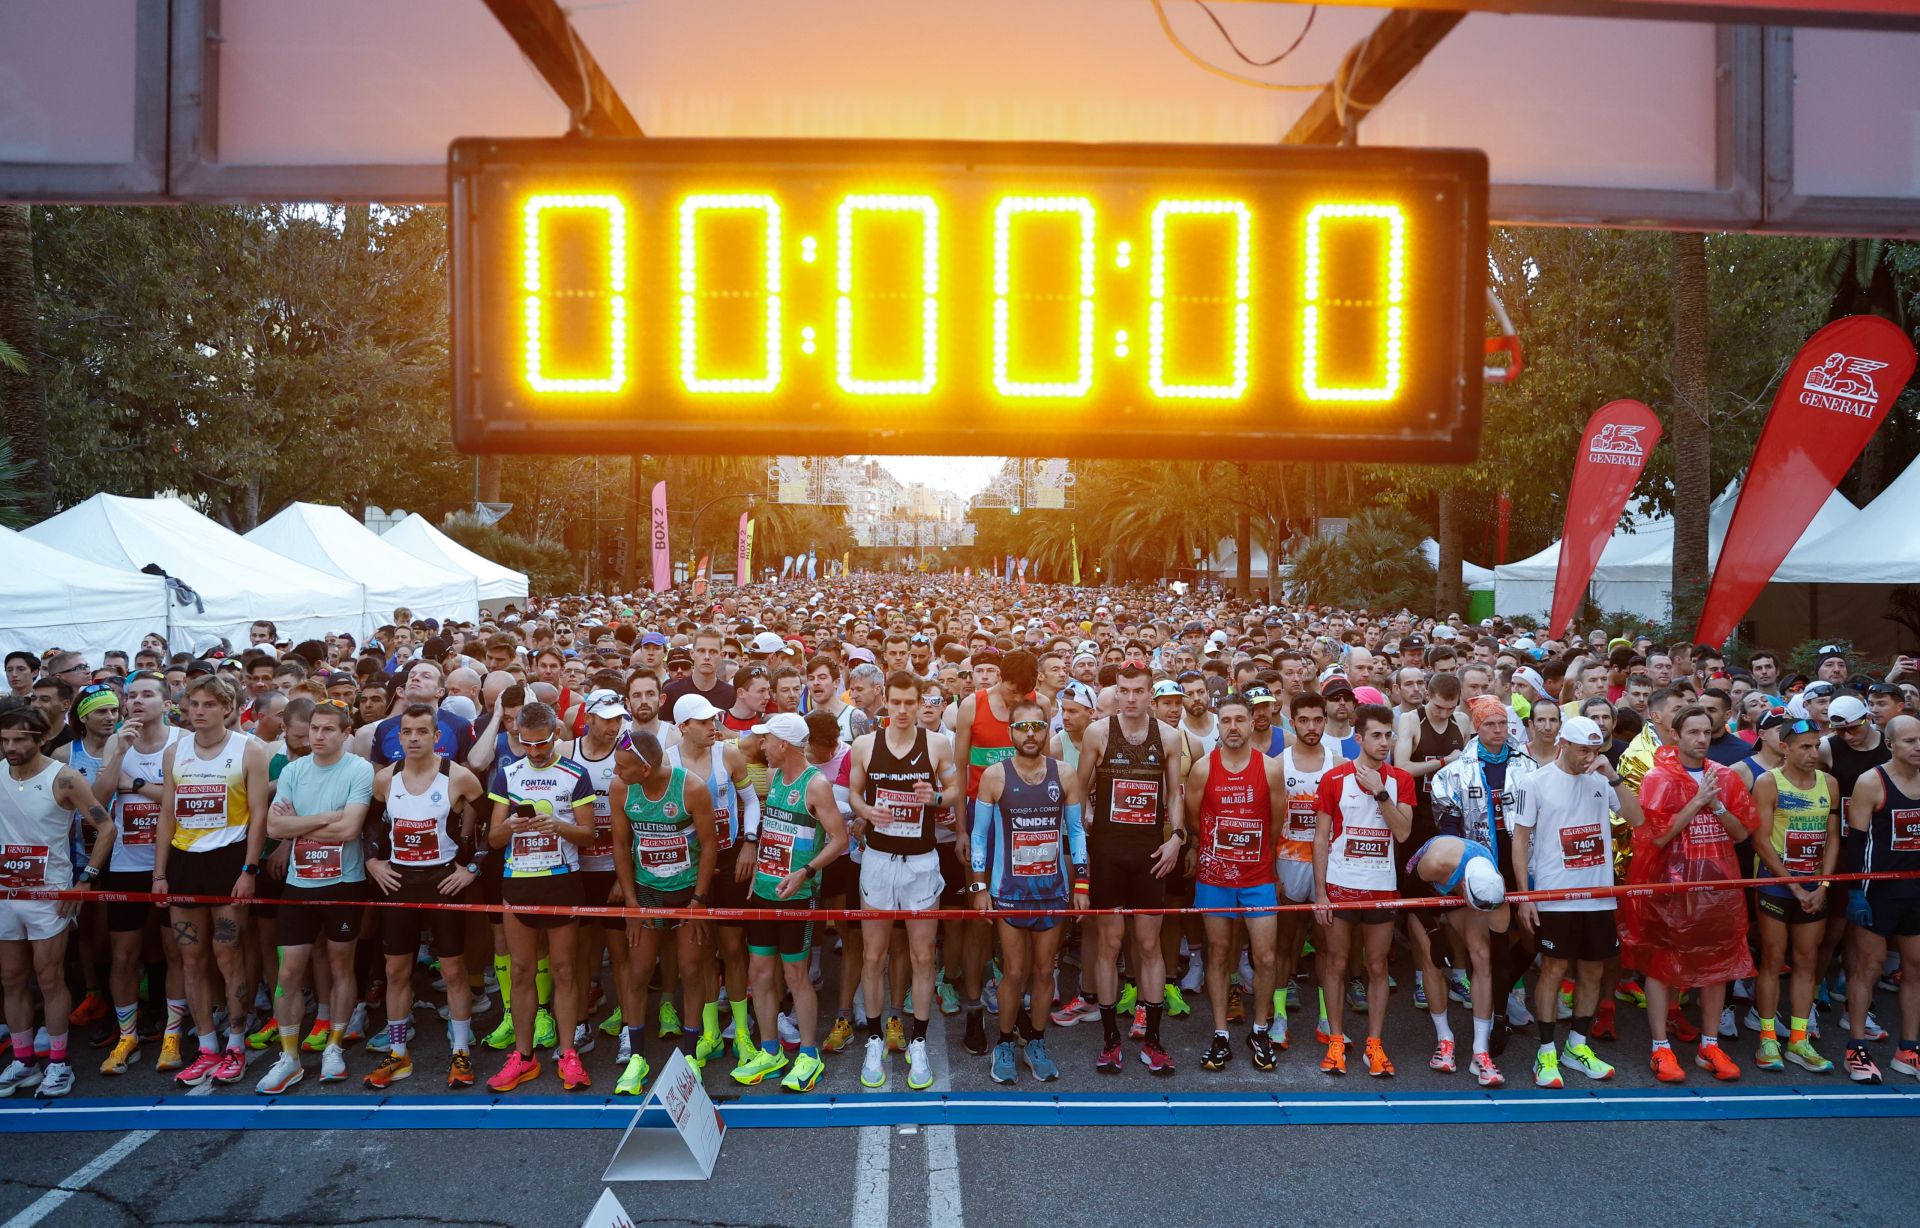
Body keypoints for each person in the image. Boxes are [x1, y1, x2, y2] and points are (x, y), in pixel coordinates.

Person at [1619, 705, 1757, 1084]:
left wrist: (1717, 805)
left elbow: (1742, 833)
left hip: (1717, 889)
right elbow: (1656, 836)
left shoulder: (1725, 777)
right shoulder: (1658, 778)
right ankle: (1660, 1047)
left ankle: (1709, 1045)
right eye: (1693, 732)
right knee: (1662, 966)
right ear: (1675, 736)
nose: (1701, 739)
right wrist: (1697, 803)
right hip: (1671, 889)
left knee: (1718, 965)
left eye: (1706, 732)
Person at [1511, 716, 1645, 1088]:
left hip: (1598, 895)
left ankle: (1578, 1045)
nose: (1589, 756)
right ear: (1563, 745)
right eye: (1583, 749)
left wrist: (1613, 774)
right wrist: (1526, 895)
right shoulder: (1534, 781)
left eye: (1595, 749)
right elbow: (1520, 840)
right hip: (1556, 895)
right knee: (1553, 970)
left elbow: (1637, 818)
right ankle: (1546, 1051)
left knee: (1593, 971)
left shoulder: (1602, 779)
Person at [153, 676, 270, 1089]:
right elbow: (167, 814)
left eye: (207, 704)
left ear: (227, 707)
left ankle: (235, 1043)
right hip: (185, 862)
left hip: (228, 862)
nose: (198, 712)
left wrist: (249, 870)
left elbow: (259, 816)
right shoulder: (175, 752)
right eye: (192, 704)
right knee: (191, 959)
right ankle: (206, 1047)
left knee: (227, 955)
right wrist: (160, 873)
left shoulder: (249, 750)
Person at [254, 699, 375, 1093]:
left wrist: (298, 826)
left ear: (344, 734)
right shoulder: (292, 770)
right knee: (289, 970)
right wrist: (327, 817)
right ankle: (288, 1057)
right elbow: (274, 824)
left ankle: (334, 1047)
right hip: (299, 883)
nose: (318, 736)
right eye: (314, 729)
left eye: (327, 729)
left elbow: (350, 831)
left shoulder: (359, 769)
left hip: (344, 882)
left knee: (341, 965)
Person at [363, 703, 485, 1090]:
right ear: (398, 738)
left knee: (452, 970)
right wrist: (373, 862)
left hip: (443, 881)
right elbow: (371, 825)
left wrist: (472, 869)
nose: (414, 738)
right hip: (399, 881)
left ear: (437, 737)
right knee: (396, 970)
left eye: (421, 732)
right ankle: (398, 1055)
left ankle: (461, 1051)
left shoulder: (459, 777)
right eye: (407, 732)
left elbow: (488, 822)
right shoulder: (386, 778)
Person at [847, 671, 960, 1091]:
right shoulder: (864, 745)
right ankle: (875, 1038)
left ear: (919, 704)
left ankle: (918, 1042)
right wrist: (867, 811)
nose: (901, 710)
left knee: (922, 957)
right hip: (877, 859)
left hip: (921, 861)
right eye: (895, 702)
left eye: (909, 703)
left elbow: (955, 789)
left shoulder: (936, 744)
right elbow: (855, 793)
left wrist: (937, 798)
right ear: (885, 702)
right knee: (873, 956)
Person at [1077, 662, 1186, 1075]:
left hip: (1149, 855)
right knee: (1109, 943)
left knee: (1148, 944)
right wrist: (1084, 824)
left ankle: (1153, 1039)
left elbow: (1175, 793)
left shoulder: (1170, 736)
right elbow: (1079, 788)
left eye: (1139, 691)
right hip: (1107, 851)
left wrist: (1177, 836)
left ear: (1150, 696)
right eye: (1124, 690)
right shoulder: (1099, 732)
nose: (1131, 698)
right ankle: (1109, 1039)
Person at [730, 712, 847, 1094]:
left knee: (796, 976)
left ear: (783, 744)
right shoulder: (776, 777)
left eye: (765, 740)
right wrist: (761, 869)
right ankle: (770, 1050)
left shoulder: (816, 785)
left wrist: (806, 873)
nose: (760, 745)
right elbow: (772, 829)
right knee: (759, 973)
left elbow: (839, 840)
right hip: (764, 891)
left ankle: (809, 1055)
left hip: (797, 896)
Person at [969, 698, 1085, 1084]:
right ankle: (1004, 1042)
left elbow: (1077, 831)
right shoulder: (994, 776)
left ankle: (1035, 1041)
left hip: (1052, 891)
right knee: (1014, 971)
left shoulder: (1065, 774)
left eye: (1037, 727)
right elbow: (979, 836)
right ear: (1011, 733)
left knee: (1044, 970)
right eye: (1023, 728)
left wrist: (1082, 883)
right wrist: (979, 887)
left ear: (1047, 729)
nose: (1030, 734)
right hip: (1009, 892)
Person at [485, 702, 597, 1093]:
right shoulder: (508, 774)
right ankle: (523, 1055)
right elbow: (493, 838)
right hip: (518, 881)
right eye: (525, 743)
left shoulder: (574, 774)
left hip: (561, 881)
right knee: (520, 971)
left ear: (556, 736)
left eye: (541, 744)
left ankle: (568, 1053)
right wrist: (512, 826)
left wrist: (559, 826)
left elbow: (590, 834)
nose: (533, 751)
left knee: (565, 970)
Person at [0, 703, 108, 1099]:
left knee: (49, 979)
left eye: (18, 740)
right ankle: (24, 1061)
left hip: (51, 894)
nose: (10, 747)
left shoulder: (64, 779)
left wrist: (85, 881)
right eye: (4, 739)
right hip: (7, 892)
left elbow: (106, 827)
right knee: (12, 979)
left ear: (41, 738)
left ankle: (59, 1064)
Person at [609, 729, 722, 1095]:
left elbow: (709, 845)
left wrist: (699, 901)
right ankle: (638, 1057)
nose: (615, 770)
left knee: (691, 969)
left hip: (689, 892)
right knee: (639, 970)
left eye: (623, 765)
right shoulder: (622, 789)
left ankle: (689, 1055)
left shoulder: (690, 788)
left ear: (646, 768)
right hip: (648, 892)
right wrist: (630, 902)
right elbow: (621, 845)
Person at [1312, 703, 1415, 1078]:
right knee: (1337, 963)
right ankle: (1336, 1039)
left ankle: (1374, 1043)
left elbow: (1402, 832)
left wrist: (1380, 793)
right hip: (1340, 886)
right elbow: (1320, 838)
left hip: (1381, 888)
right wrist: (1320, 892)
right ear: (1359, 738)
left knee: (1376, 966)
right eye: (1376, 735)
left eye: (1389, 735)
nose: (1384, 741)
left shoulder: (1400, 780)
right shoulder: (1334, 779)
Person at [1184, 695, 1286, 1072]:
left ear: (1251, 722)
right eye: (1225, 720)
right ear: (1218, 724)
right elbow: (1195, 819)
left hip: (1258, 876)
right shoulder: (1201, 768)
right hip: (1215, 877)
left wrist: (1255, 854)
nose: (1232, 727)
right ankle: (1221, 1031)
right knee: (1219, 953)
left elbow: (1277, 822)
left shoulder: (1270, 768)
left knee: (1265, 956)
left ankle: (1260, 1028)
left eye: (1239, 720)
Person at [666, 694, 759, 1063]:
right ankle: (708, 1033)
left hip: (731, 856)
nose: (713, 727)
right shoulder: (667, 762)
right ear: (683, 727)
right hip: (692, 865)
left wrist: (750, 841)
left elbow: (750, 800)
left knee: (734, 949)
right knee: (701, 952)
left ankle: (740, 1031)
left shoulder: (729, 754)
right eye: (704, 722)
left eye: (714, 720)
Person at [1747, 719, 1839, 1074]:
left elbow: (1833, 838)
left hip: (1814, 886)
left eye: (1816, 746)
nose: (1813, 753)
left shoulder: (1828, 783)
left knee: (1807, 960)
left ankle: (1799, 1040)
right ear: (1785, 748)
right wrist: (1796, 886)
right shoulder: (1769, 782)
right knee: (1772, 958)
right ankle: (1768, 1038)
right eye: (1805, 746)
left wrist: (1824, 885)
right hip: (1776, 882)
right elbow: (1761, 841)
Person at [1840, 714, 1920, 1085]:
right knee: (1867, 967)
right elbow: (1854, 842)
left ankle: (1909, 1048)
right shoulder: (1872, 781)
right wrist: (1855, 891)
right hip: (1877, 891)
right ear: (1890, 744)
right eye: (1909, 741)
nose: (1918, 746)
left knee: (1915, 967)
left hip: (1915, 891)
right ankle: (1856, 1047)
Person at [1278, 690, 1343, 1049]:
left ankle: (1324, 1016)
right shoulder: (1279, 762)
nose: (1311, 726)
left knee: (1325, 946)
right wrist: (1271, 873)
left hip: (1325, 865)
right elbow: (1272, 820)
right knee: (1283, 944)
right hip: (1287, 863)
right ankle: (1279, 1020)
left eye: (1318, 719)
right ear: (1292, 719)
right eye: (1303, 720)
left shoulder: (1335, 761)